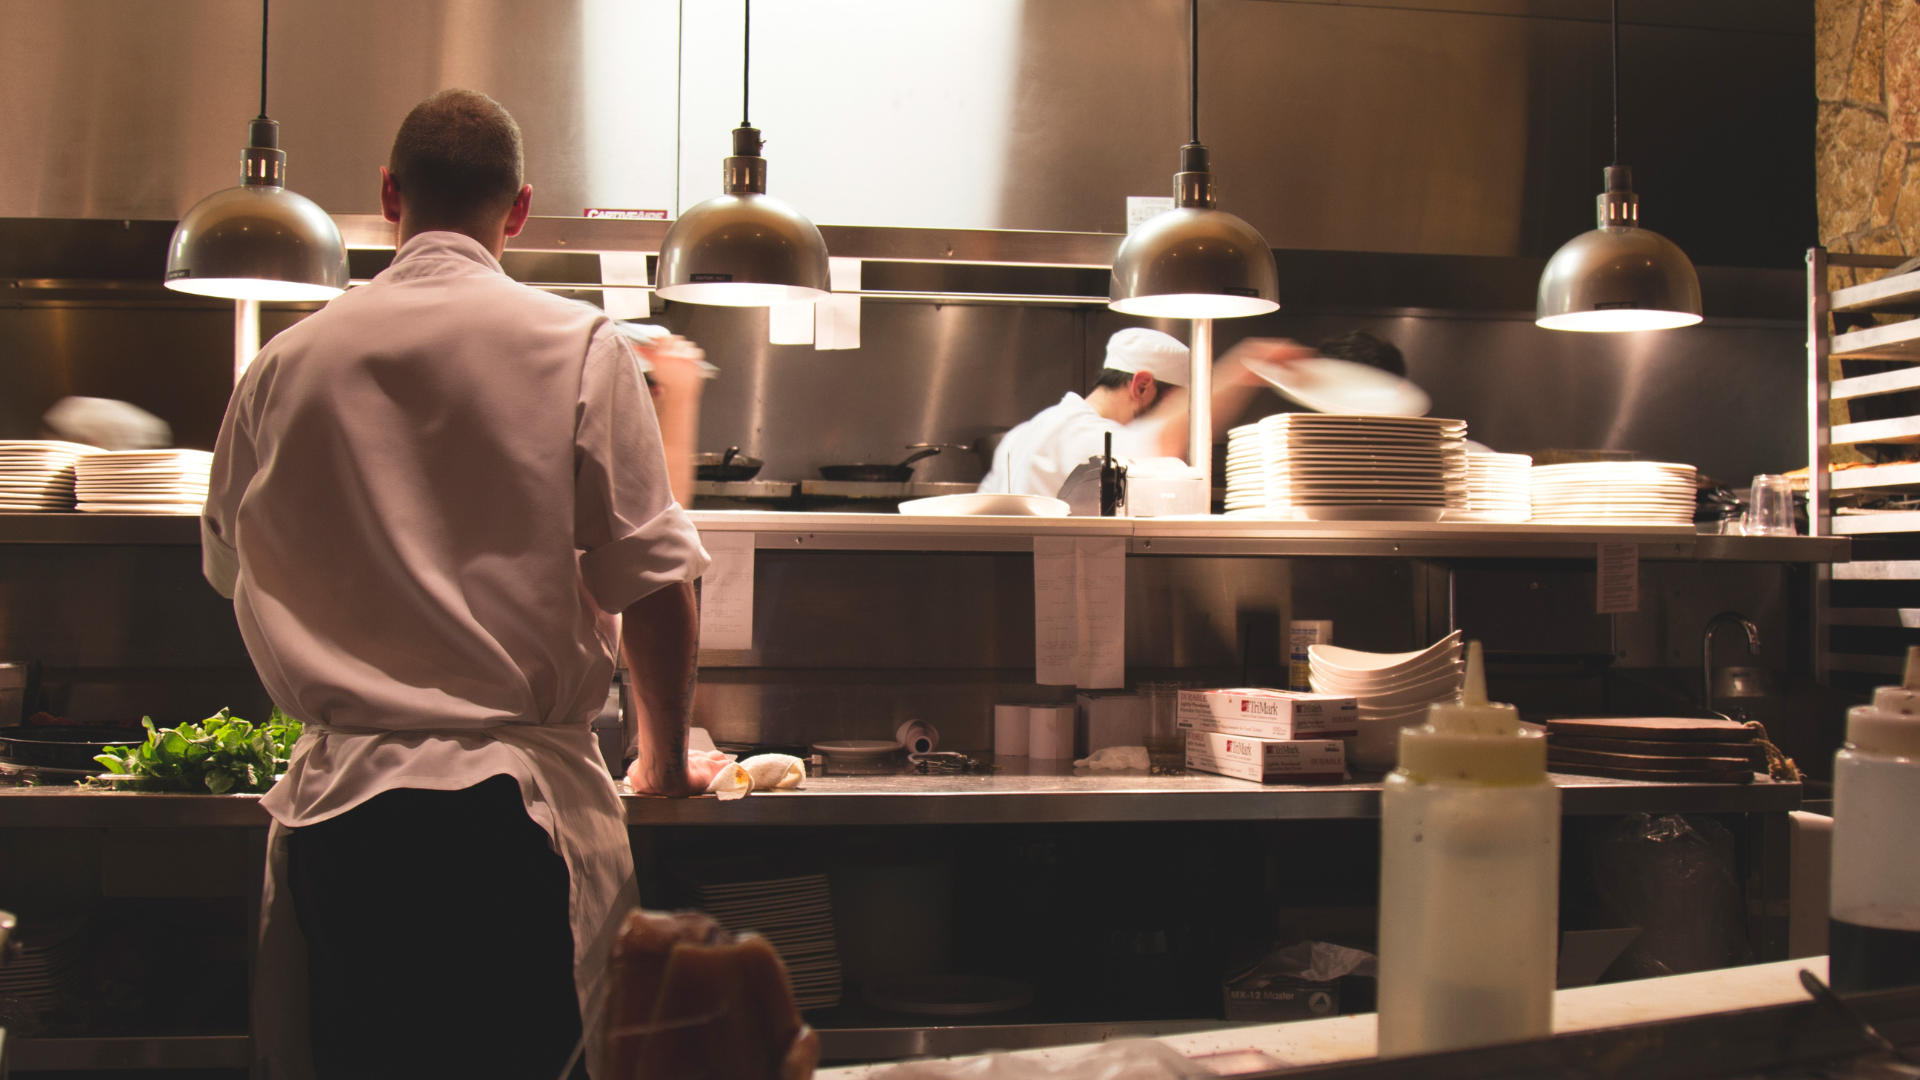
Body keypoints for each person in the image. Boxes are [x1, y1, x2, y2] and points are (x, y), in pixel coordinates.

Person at [201, 89, 710, 1080]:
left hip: (339, 824)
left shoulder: (282, 363)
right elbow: (651, 581)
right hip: (514, 823)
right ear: (517, 209)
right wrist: (665, 758)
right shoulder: (581, 347)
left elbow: (229, 569)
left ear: (390, 194)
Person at [978, 327, 1309, 498]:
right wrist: (1249, 365)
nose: (1174, 417)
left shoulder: (1022, 434)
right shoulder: (1080, 434)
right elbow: (1159, 442)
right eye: (1174, 405)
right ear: (1142, 386)